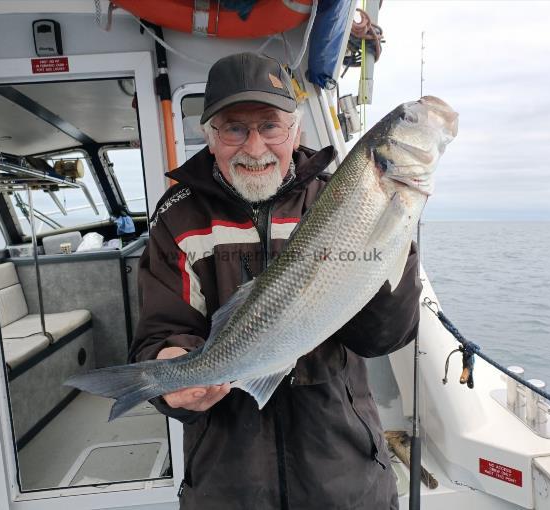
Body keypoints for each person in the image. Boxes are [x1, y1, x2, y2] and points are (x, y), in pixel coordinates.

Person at [129, 52, 422, 510]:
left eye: (270, 126)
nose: (253, 147)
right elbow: (162, 330)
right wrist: (172, 367)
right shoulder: (179, 217)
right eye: (234, 128)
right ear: (210, 136)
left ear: (295, 131)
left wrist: (395, 231)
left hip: (344, 476)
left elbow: (381, 337)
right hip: (229, 484)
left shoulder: (339, 201)